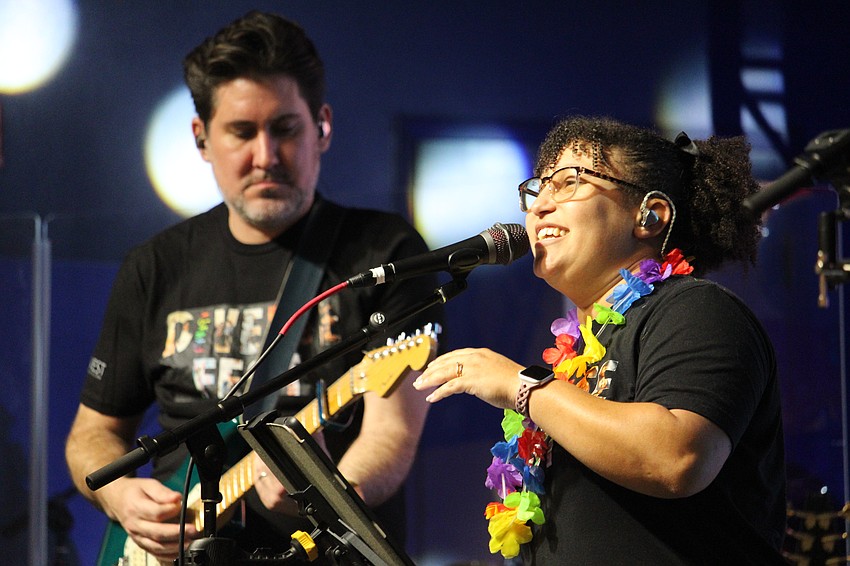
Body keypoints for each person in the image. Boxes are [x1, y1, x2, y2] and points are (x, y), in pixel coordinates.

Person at [65, 11, 442, 564]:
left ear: (323, 127)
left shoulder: (384, 253)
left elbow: (391, 439)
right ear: (201, 138)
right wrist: (120, 498)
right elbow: (91, 436)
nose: (265, 156)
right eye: (242, 132)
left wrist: (326, 492)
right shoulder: (155, 265)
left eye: (285, 129)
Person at [414, 116, 786, 564]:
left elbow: (676, 458)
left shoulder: (697, 310)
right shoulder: (576, 352)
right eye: (539, 188)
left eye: (569, 182)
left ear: (649, 215)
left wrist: (520, 385)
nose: (539, 207)